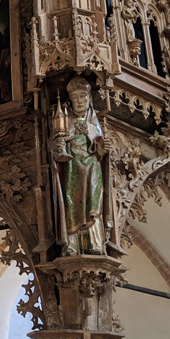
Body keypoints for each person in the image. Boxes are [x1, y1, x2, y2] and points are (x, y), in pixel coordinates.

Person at [51, 76, 107, 255]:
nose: (80, 101)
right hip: (72, 168)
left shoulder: (93, 122)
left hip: (92, 167)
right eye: (75, 98)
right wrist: (59, 145)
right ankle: (73, 245)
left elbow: (100, 146)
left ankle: (95, 243)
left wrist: (101, 146)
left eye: (83, 97)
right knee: (71, 204)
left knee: (94, 201)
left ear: (89, 99)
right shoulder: (64, 120)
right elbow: (55, 145)